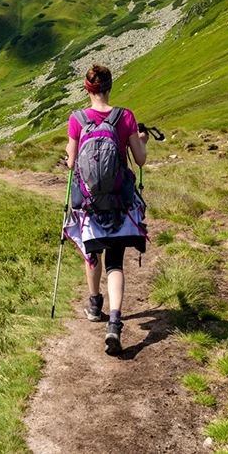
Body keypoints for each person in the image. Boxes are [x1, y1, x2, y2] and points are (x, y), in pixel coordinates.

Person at [65, 64, 148, 355]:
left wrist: (68, 154)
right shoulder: (125, 117)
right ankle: (114, 323)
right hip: (118, 203)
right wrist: (141, 141)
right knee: (115, 262)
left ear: (87, 89)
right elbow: (140, 161)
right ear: (110, 86)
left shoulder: (76, 119)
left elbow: (73, 163)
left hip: (90, 204)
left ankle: (94, 303)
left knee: (93, 255)